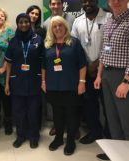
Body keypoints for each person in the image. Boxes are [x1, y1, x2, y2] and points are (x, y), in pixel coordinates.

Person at [94, 0, 129, 161]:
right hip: (107, 75)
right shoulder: (109, 23)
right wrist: (100, 75)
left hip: (123, 77)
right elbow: (103, 52)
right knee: (112, 118)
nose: (116, 2)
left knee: (127, 120)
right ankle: (117, 155)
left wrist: (127, 81)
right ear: (108, 2)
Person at [41, 16, 87, 156]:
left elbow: (82, 64)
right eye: (54, 26)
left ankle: (70, 141)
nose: (58, 28)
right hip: (53, 86)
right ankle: (59, 138)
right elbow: (43, 66)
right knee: (57, 114)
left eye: (60, 25)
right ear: (51, 29)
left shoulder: (74, 43)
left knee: (71, 114)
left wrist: (82, 82)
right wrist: (43, 81)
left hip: (71, 85)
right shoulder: (48, 45)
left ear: (65, 27)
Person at [72, 0, 111, 144]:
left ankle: (109, 135)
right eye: (84, 2)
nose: (87, 4)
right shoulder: (78, 21)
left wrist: (96, 63)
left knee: (108, 105)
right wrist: (85, 65)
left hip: (105, 69)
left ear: (97, 1)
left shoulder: (108, 18)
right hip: (85, 71)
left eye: (90, 1)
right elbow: (74, 45)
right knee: (89, 105)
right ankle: (95, 132)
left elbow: (110, 45)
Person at [4, 13, 44, 149]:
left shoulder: (38, 39)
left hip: (34, 80)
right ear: (17, 24)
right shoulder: (13, 41)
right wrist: (7, 82)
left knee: (33, 111)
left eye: (26, 22)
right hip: (17, 81)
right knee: (19, 111)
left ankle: (33, 137)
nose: (24, 24)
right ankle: (20, 136)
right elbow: (8, 63)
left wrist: (43, 80)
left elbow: (43, 62)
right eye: (20, 22)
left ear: (30, 23)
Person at [42, 0, 77, 137]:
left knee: (72, 101)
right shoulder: (46, 23)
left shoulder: (73, 19)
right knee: (55, 100)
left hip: (69, 64)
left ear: (63, 4)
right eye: (53, 4)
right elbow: (48, 43)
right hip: (54, 66)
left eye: (58, 3)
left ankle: (72, 128)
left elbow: (74, 41)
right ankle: (57, 126)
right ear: (49, 6)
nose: (55, 6)